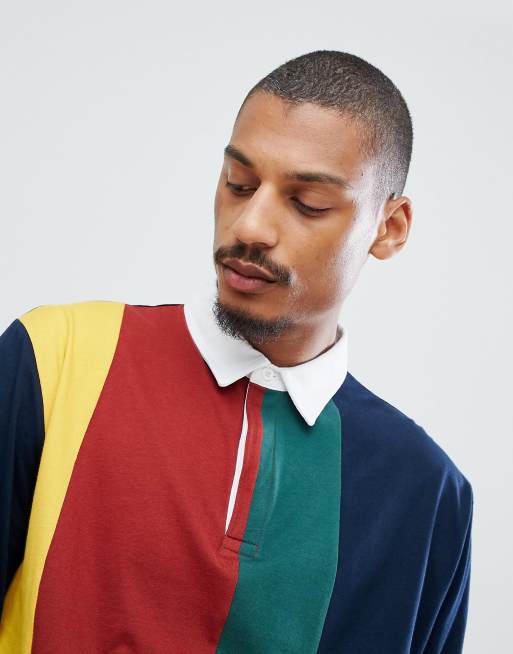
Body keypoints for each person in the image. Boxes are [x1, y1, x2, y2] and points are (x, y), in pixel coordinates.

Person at [0, 50, 473, 653]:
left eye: (307, 203)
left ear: (390, 227)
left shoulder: (427, 493)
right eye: (239, 185)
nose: (249, 227)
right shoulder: (54, 358)